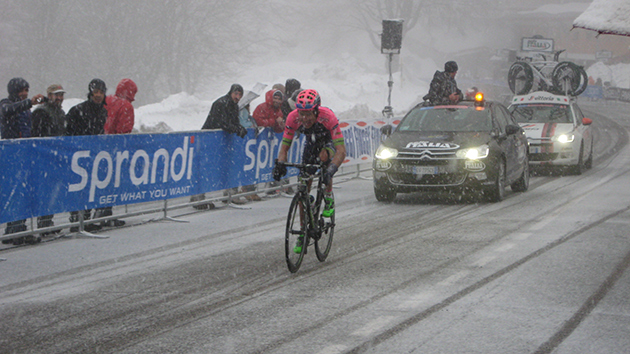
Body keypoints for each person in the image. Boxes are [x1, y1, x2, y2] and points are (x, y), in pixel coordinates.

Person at [272, 89, 346, 253]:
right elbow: (285, 146)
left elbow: (341, 151)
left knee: (325, 157)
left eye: (307, 114)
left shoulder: (328, 117)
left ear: (316, 111)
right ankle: (303, 231)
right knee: (303, 185)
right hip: (311, 144)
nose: (304, 119)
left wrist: (330, 171)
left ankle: (328, 195)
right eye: (301, 114)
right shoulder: (292, 117)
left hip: (327, 142)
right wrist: (280, 164)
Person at [0, 77, 46, 244]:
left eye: (26, 90)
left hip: (23, 154)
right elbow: (7, 110)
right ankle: (15, 229)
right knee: (15, 192)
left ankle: (16, 228)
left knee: (23, 193)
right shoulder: (6, 104)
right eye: (22, 91)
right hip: (12, 155)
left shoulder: (24, 108)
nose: (25, 94)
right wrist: (28, 102)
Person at [192, 84, 248, 208]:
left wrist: (239, 127)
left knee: (224, 167)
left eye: (240, 95)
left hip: (221, 141)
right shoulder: (221, 103)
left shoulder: (234, 105)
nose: (238, 97)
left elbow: (233, 121)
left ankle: (228, 194)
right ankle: (198, 198)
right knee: (207, 169)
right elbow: (221, 122)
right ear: (231, 92)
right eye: (236, 94)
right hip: (209, 139)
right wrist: (234, 128)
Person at [65, 79, 109, 232]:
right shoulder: (78, 110)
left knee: (91, 187)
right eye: (96, 92)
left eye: (101, 92)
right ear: (91, 93)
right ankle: (77, 221)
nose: (98, 95)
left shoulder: (104, 111)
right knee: (79, 188)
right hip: (78, 155)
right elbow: (68, 132)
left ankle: (86, 219)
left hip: (94, 156)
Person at [93, 78, 138, 227]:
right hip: (114, 151)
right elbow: (123, 132)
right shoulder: (126, 107)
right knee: (110, 183)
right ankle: (104, 214)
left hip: (99, 147)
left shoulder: (108, 100)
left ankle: (98, 214)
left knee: (99, 183)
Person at [31, 84, 67, 236]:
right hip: (45, 158)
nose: (59, 98)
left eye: (61, 95)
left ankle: (47, 221)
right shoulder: (41, 112)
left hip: (56, 158)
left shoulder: (60, 112)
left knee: (53, 191)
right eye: (56, 95)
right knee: (44, 191)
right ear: (49, 95)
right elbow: (37, 135)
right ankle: (43, 223)